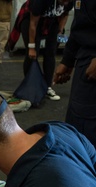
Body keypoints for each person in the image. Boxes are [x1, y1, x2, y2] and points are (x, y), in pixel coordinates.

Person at [53, 0, 96, 147]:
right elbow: (80, 24)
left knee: (87, 135)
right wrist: (68, 60)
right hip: (85, 60)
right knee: (76, 128)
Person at [18, 0, 73, 100]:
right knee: (32, 55)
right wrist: (31, 47)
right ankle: (30, 86)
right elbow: (33, 23)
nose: (65, 3)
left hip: (52, 20)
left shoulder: (69, 2)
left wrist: (60, 31)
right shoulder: (40, 2)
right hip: (30, 20)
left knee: (51, 53)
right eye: (63, 1)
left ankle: (47, 87)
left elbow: (65, 14)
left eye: (67, 1)